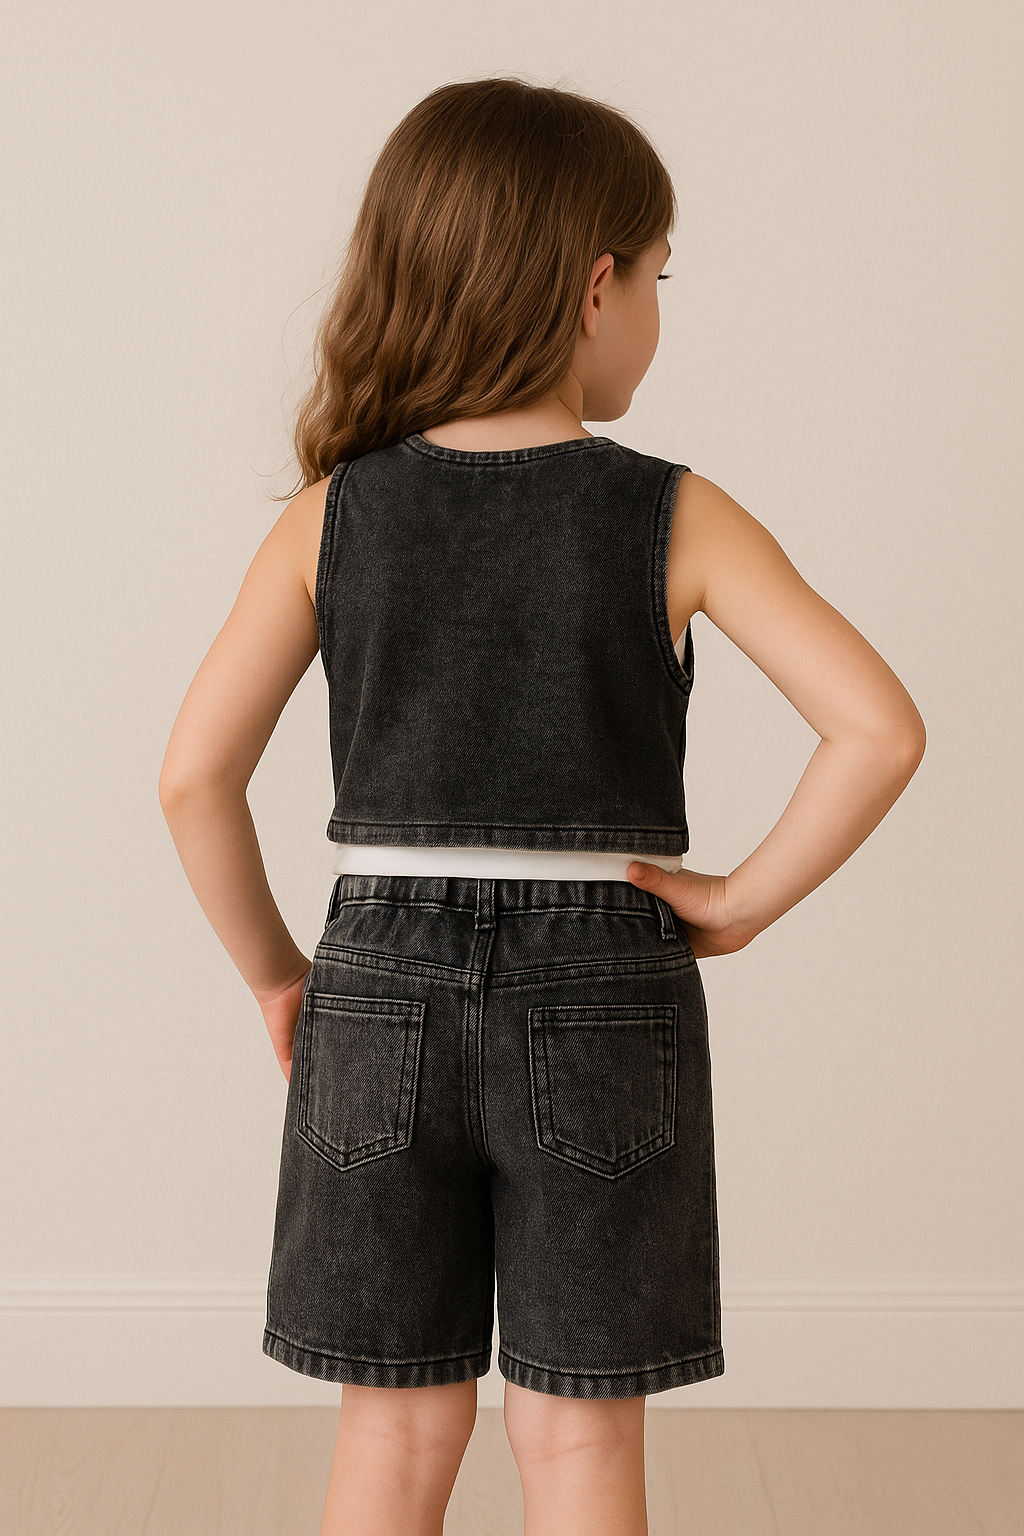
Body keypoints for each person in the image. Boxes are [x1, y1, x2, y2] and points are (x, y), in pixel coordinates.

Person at [159, 75, 926, 1536]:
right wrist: (736, 903)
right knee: (577, 1441)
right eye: (659, 279)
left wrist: (278, 978)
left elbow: (193, 778)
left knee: (393, 1431)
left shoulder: (333, 514)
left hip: (374, 987)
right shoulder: (673, 511)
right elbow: (879, 730)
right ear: (594, 286)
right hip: (605, 987)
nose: (656, 310)